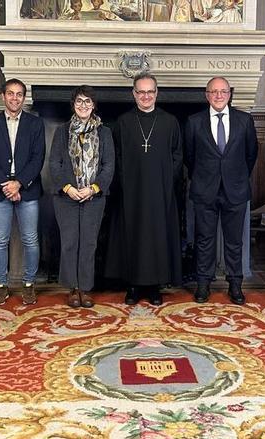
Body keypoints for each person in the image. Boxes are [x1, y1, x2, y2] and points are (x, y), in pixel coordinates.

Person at [105, 74, 183, 305]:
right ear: (134, 94)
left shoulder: (170, 122)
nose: (146, 96)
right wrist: (124, 182)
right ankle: (133, 286)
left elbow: (177, 156)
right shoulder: (123, 122)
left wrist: (166, 181)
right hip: (131, 192)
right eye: (141, 92)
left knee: (157, 236)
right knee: (132, 235)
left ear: (157, 93)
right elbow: (115, 156)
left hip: (160, 191)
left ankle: (155, 286)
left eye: (150, 92)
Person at [184, 76, 258, 304]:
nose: (218, 95)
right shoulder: (194, 121)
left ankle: (235, 285)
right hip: (204, 190)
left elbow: (251, 154)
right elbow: (189, 157)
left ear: (230, 94)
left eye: (223, 91)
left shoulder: (244, 120)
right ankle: (203, 285)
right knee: (204, 239)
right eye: (214, 91)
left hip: (235, 190)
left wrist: (234, 177)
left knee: (234, 240)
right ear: (207, 95)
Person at [0, 78, 46, 305]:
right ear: (3, 96)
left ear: (24, 97)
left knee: (30, 239)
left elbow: (38, 158)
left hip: (27, 189)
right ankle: (1, 284)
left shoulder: (35, 123)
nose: (15, 98)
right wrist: (7, 185)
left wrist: (19, 183)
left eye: (19, 94)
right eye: (11, 93)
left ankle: (29, 284)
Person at [48, 86, 115, 308]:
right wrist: (68, 187)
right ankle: (72, 288)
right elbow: (54, 164)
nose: (83, 105)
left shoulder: (104, 132)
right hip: (66, 196)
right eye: (79, 101)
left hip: (94, 197)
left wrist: (93, 188)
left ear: (93, 105)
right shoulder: (62, 131)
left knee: (88, 243)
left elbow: (109, 166)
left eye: (88, 101)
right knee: (69, 242)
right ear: (73, 104)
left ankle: (85, 289)